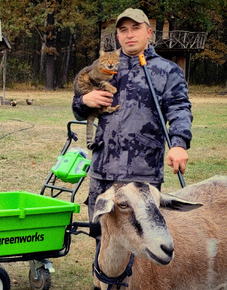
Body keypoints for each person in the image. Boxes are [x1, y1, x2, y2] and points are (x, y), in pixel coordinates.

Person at [72, 8, 193, 240]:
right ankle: (102, 278)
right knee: (102, 235)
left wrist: (179, 144)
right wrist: (85, 100)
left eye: (136, 28)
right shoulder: (103, 66)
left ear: (149, 33)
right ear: (117, 36)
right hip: (103, 170)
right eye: (123, 30)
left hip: (143, 172)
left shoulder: (167, 71)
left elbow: (179, 108)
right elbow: (78, 109)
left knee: (142, 238)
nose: (129, 35)